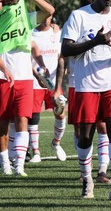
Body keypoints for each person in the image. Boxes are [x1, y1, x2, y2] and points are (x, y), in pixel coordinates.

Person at [61, 0, 111, 200]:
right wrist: (95, 42)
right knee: (85, 137)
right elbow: (66, 49)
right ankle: (87, 180)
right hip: (86, 85)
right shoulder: (79, 16)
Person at [53, 0, 111, 184]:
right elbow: (62, 57)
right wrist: (58, 87)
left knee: (103, 126)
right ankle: (84, 169)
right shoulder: (76, 21)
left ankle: (102, 170)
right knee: (81, 131)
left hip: (102, 83)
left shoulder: (108, 22)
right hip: (78, 85)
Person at [0, 0, 55, 177]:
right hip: (3, 79)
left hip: (24, 79)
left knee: (23, 119)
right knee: (3, 123)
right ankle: (4, 162)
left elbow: (49, 10)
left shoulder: (26, 19)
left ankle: (19, 166)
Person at [28, 15, 67, 163]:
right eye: (42, 14)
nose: (45, 18)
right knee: (34, 118)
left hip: (53, 83)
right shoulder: (31, 33)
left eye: (48, 15)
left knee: (61, 114)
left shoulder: (58, 32)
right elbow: (27, 57)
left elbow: (62, 56)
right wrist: (36, 74)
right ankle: (36, 152)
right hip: (35, 81)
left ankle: (56, 143)